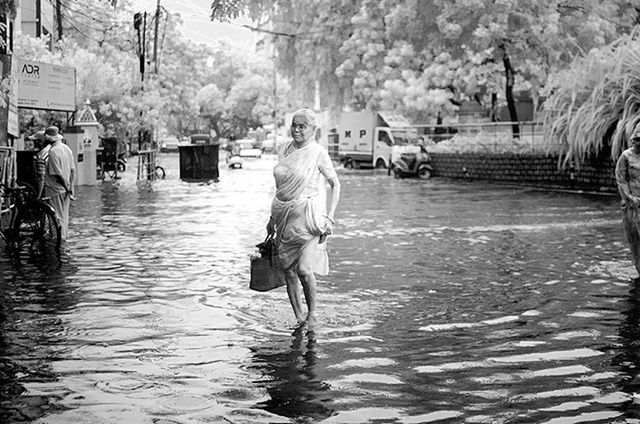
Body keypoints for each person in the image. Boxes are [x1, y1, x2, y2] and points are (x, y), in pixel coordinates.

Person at [266, 108, 341, 325]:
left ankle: (311, 315)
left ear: (313, 130)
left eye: (302, 126)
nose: (297, 130)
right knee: (289, 271)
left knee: (304, 270)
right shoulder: (284, 148)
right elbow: (280, 186)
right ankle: (299, 317)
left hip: (309, 217)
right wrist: (272, 219)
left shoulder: (318, 153)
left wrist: (330, 216)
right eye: (294, 125)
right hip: (283, 217)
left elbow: (335, 184)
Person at [616, 126, 640, 280]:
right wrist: (630, 198)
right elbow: (620, 180)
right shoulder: (626, 156)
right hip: (632, 206)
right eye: (637, 139)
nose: (639, 143)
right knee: (636, 242)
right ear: (633, 140)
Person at [43, 126, 75, 241]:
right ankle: (63, 240)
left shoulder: (53, 152)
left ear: (48, 138)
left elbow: (57, 175)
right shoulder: (67, 149)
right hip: (65, 190)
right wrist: (71, 188)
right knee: (64, 217)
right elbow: (72, 171)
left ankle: (59, 243)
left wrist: (67, 187)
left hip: (55, 190)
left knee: (57, 218)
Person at [28, 130, 50, 199]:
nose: (34, 143)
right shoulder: (50, 151)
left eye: (35, 141)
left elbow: (41, 178)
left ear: (40, 142)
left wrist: (38, 197)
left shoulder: (42, 157)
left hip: (45, 191)